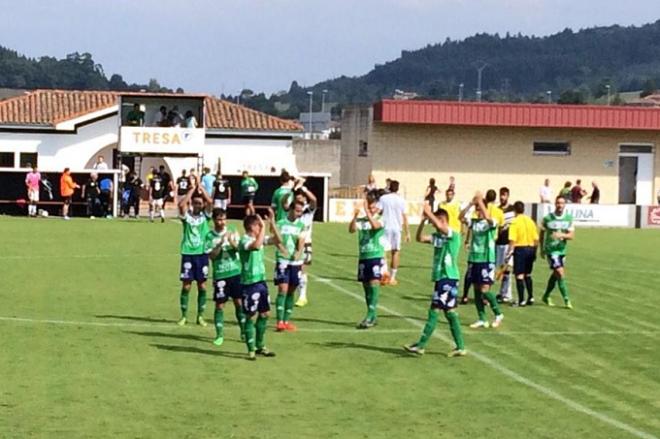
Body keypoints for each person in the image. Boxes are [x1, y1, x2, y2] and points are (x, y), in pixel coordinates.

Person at [404, 203, 466, 357]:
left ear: (443, 220)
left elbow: (440, 226)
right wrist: (423, 221)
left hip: (448, 277)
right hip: (443, 278)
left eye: (436, 222)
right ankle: (461, 347)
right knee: (450, 312)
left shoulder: (453, 234)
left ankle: (421, 345)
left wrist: (429, 212)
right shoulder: (438, 237)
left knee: (434, 310)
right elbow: (420, 238)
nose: (434, 225)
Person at [238, 211, 282, 360]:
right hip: (249, 283)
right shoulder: (244, 240)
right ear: (252, 226)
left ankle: (260, 345)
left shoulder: (259, 238)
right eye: (258, 225)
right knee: (250, 315)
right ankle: (250, 349)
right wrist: (263, 228)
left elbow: (278, 240)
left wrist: (272, 223)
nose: (260, 227)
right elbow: (256, 246)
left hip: (261, 282)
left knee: (265, 314)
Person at [459, 192, 504, 329]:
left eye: (480, 208)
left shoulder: (491, 222)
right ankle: (482, 318)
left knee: (485, 290)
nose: (478, 211)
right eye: (477, 209)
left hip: (486, 259)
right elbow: (460, 217)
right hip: (474, 258)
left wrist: (481, 204)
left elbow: (490, 220)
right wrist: (471, 204)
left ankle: (498, 313)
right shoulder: (474, 222)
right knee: (477, 290)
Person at [205, 208, 246, 346]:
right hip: (221, 275)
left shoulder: (233, 230)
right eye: (219, 219)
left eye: (224, 219)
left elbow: (240, 249)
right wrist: (221, 243)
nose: (222, 222)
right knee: (220, 305)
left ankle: (243, 331)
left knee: (239, 303)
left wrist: (231, 242)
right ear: (214, 220)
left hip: (235, 272)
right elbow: (211, 256)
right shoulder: (209, 236)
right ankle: (219, 334)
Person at [176, 181, 213, 327]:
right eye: (195, 203)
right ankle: (184, 316)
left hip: (202, 254)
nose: (197, 205)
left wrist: (201, 187)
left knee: (202, 286)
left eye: (199, 203)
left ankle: (200, 316)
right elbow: (181, 205)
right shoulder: (187, 217)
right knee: (186, 286)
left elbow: (210, 201)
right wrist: (191, 190)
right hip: (188, 253)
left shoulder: (206, 216)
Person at [349, 194, 384, 329]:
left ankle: (370, 314)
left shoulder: (381, 218)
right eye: (369, 206)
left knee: (374, 283)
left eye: (373, 206)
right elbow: (351, 230)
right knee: (366, 287)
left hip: (376, 255)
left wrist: (368, 214)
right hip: (364, 256)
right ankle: (372, 315)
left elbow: (375, 226)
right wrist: (355, 217)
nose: (371, 208)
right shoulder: (362, 220)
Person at [283, 183, 318, 307]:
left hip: (306, 241)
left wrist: (304, 188)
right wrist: (289, 191)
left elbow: (314, 200)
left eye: (302, 197)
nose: (300, 198)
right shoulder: (293, 209)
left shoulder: (308, 209)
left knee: (302, 269)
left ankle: (302, 296)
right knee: (294, 269)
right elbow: (284, 204)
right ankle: (295, 293)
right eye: (298, 196)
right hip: (291, 242)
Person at [274, 199, 306, 332]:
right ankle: (279, 321)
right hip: (283, 260)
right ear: (291, 209)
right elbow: (276, 239)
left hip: (296, 262)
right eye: (297, 211)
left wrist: (298, 253)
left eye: (301, 212)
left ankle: (286, 321)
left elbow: (302, 241)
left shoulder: (302, 225)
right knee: (282, 289)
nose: (299, 214)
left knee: (291, 291)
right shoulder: (281, 223)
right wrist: (282, 249)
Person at [540, 196, 575, 309]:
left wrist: (562, 235)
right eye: (558, 203)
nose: (560, 205)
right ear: (555, 204)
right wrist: (541, 248)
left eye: (562, 203)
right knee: (560, 273)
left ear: (565, 205)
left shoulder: (568, 218)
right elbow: (542, 232)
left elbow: (571, 236)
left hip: (562, 251)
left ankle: (546, 296)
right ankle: (566, 299)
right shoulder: (548, 218)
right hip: (551, 251)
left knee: (556, 275)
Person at [506, 202, 539, 306]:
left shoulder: (514, 222)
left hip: (520, 249)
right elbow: (536, 239)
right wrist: (535, 251)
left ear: (515, 210)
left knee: (519, 275)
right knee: (528, 274)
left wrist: (509, 252)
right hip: (531, 248)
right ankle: (531, 297)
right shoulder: (530, 221)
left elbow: (512, 239)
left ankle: (521, 300)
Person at [378, 180, 410, 286]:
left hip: (385, 227)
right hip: (397, 228)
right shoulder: (401, 200)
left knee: (383, 251)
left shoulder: (383, 199)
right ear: (398, 188)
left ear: (389, 187)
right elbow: (405, 216)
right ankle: (392, 277)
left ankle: (384, 273)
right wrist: (407, 233)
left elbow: (379, 211)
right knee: (395, 252)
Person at [495, 187, 515, 303]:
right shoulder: (497, 210)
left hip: (508, 243)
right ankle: (502, 293)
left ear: (508, 196)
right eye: (501, 195)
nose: (502, 197)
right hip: (498, 243)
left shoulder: (512, 210)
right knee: (499, 268)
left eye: (504, 195)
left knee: (507, 268)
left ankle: (507, 294)